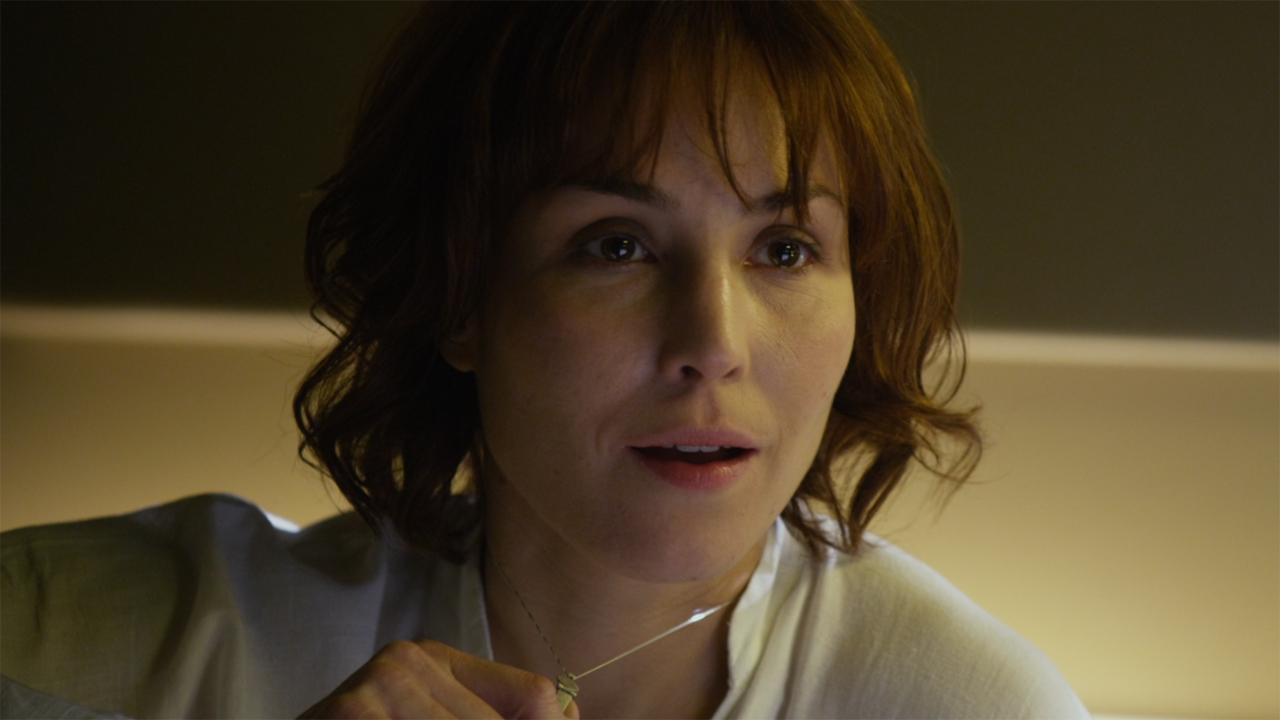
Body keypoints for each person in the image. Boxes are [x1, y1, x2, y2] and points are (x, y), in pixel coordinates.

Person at [1, 3, 1089, 718]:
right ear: (459, 294)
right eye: (615, 246)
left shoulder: (969, 705)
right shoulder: (114, 642)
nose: (713, 344)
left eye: (784, 249)